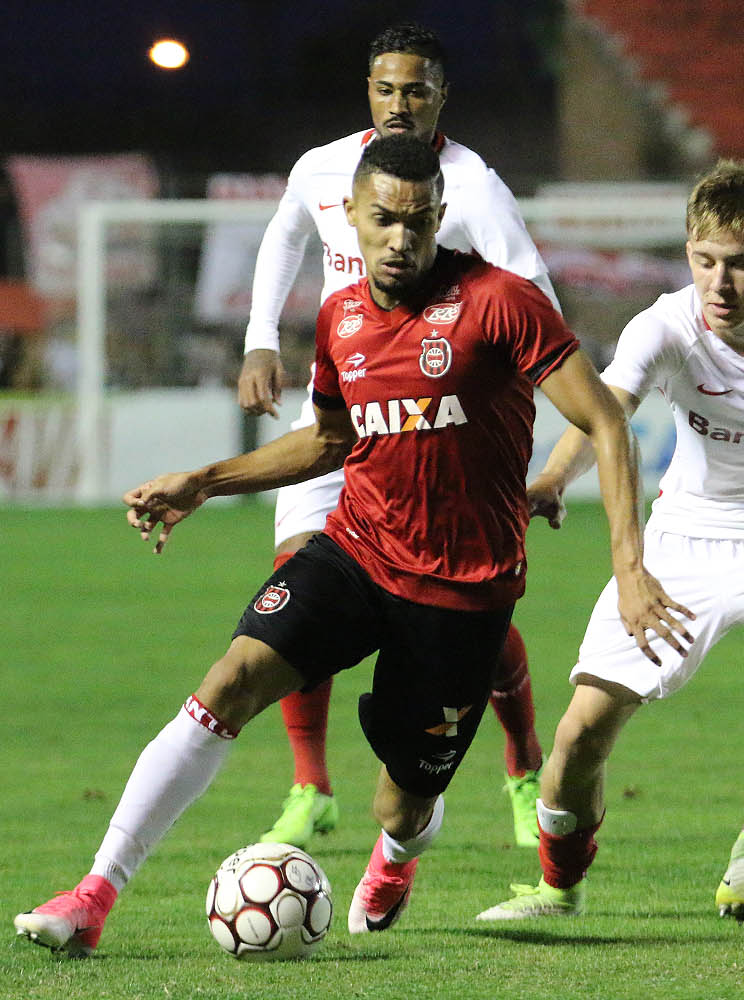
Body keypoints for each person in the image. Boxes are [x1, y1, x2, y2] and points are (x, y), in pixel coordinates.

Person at [12, 134, 691, 956]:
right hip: (358, 553)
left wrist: (628, 569)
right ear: (349, 219)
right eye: (382, 220)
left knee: (399, 807)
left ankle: (398, 854)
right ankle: (94, 895)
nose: (400, 238)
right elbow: (331, 441)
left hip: (461, 595)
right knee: (229, 681)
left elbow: (606, 420)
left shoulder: (501, 303)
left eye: (418, 221)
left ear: (440, 216)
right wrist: (207, 480)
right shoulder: (339, 317)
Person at [475, 161, 744, 928]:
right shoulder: (665, 327)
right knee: (581, 735)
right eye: (705, 262)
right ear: (689, 255)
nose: (721, 283)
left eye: (741, 264)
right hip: (686, 542)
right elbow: (603, 413)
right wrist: (555, 479)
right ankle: (559, 889)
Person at [237, 22, 559, 850]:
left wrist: (497, 419)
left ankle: (522, 766)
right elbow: (283, 235)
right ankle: (312, 787)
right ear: (367, 92)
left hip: (433, 428)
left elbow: (532, 297)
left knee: (463, 615)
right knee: (296, 579)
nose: (399, 105)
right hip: (342, 408)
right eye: (386, 89)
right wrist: (260, 339)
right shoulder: (322, 168)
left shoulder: (472, 185)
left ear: (441, 96)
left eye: (416, 90)